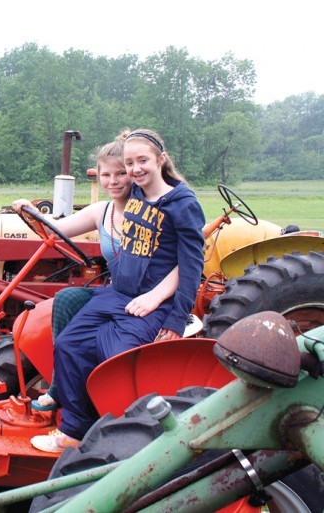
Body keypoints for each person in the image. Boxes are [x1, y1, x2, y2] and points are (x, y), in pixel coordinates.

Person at [27, 128, 205, 453]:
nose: (135, 169)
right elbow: (119, 163)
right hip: (117, 294)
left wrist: (174, 315)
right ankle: (74, 429)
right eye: (130, 163)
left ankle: (122, 438)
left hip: (150, 302)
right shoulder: (135, 193)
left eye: (143, 161)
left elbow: (192, 262)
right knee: (69, 343)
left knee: (115, 360)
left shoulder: (182, 203)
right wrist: (34, 215)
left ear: (161, 160)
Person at [15, 133, 180, 413]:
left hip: (154, 295)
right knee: (67, 299)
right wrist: (28, 212)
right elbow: (55, 230)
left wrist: (155, 296)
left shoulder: (151, 209)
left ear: (132, 173)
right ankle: (59, 387)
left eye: (120, 173)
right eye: (106, 174)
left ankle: (104, 399)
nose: (113, 181)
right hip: (118, 292)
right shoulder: (100, 212)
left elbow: (185, 259)